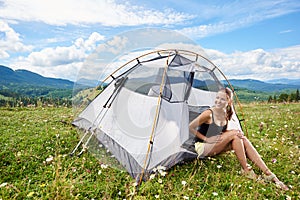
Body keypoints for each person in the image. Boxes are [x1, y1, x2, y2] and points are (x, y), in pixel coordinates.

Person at [189, 87, 289, 191]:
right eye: (217, 98)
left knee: (242, 138)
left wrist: (232, 134)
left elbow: (222, 132)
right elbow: (191, 127)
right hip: (202, 147)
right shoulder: (208, 114)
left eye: (223, 99)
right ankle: (246, 169)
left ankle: (268, 173)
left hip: (216, 146)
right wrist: (206, 138)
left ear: (229, 101)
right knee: (236, 134)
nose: (218, 101)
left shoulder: (226, 113)